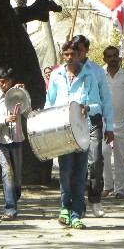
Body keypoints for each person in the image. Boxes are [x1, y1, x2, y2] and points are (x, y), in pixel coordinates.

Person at [46, 40, 102, 230]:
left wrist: (88, 107)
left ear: (80, 55)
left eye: (73, 54)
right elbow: (49, 103)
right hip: (62, 131)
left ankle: (77, 214)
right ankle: (65, 209)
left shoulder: (89, 77)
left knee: (80, 174)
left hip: (82, 131)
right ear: (63, 55)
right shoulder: (56, 75)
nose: (70, 58)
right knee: (65, 172)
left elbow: (97, 105)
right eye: (66, 54)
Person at [71, 35, 114, 218]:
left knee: (96, 160)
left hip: (93, 120)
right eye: (74, 50)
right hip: (72, 123)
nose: (77, 53)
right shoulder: (64, 71)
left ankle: (95, 199)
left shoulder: (96, 71)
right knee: (75, 165)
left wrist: (109, 126)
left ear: (86, 50)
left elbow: (106, 99)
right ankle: (76, 204)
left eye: (80, 49)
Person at [0, 67, 26, 220]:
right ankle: (10, 208)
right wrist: (3, 121)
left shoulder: (17, 94)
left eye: (8, 82)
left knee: (17, 175)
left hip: (17, 138)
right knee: (7, 172)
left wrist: (24, 94)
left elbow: (28, 111)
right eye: (2, 82)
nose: (5, 85)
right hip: (1, 140)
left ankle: (14, 195)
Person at [101, 46, 124, 198]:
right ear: (105, 59)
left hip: (122, 122)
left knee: (122, 156)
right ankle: (107, 186)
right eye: (109, 56)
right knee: (103, 153)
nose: (112, 58)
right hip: (103, 122)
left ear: (119, 58)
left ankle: (119, 189)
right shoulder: (99, 75)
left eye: (115, 55)